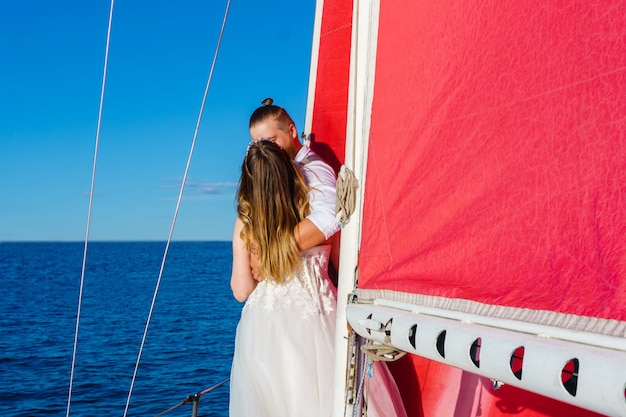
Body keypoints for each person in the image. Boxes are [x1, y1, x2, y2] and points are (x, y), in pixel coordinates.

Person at [229, 140, 337, 417]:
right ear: (288, 169)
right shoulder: (309, 206)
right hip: (317, 317)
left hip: (263, 330)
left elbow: (241, 291)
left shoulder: (246, 223)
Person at [248, 99, 340, 279]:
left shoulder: (314, 170)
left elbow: (329, 216)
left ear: (292, 131)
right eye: (259, 144)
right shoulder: (280, 172)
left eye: (272, 140)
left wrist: (272, 255)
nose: (266, 150)